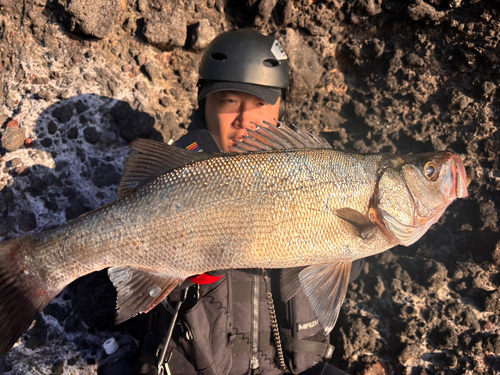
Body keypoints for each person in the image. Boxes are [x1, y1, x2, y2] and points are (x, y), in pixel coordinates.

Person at [129, 29, 361, 375]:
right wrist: (195, 271)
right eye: (229, 101)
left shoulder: (316, 173)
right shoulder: (170, 180)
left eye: (260, 103)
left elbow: (344, 273)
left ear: (281, 104)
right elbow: (133, 283)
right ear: (203, 102)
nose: (245, 120)